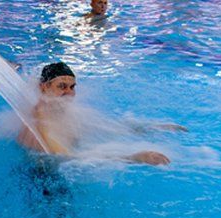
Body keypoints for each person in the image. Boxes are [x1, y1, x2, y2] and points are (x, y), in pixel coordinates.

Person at [17, 62, 181, 166]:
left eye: (72, 87)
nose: (69, 93)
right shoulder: (40, 124)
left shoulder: (63, 113)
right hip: (46, 182)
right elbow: (68, 159)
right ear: (43, 87)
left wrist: (151, 128)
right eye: (62, 86)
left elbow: (110, 127)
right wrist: (132, 158)